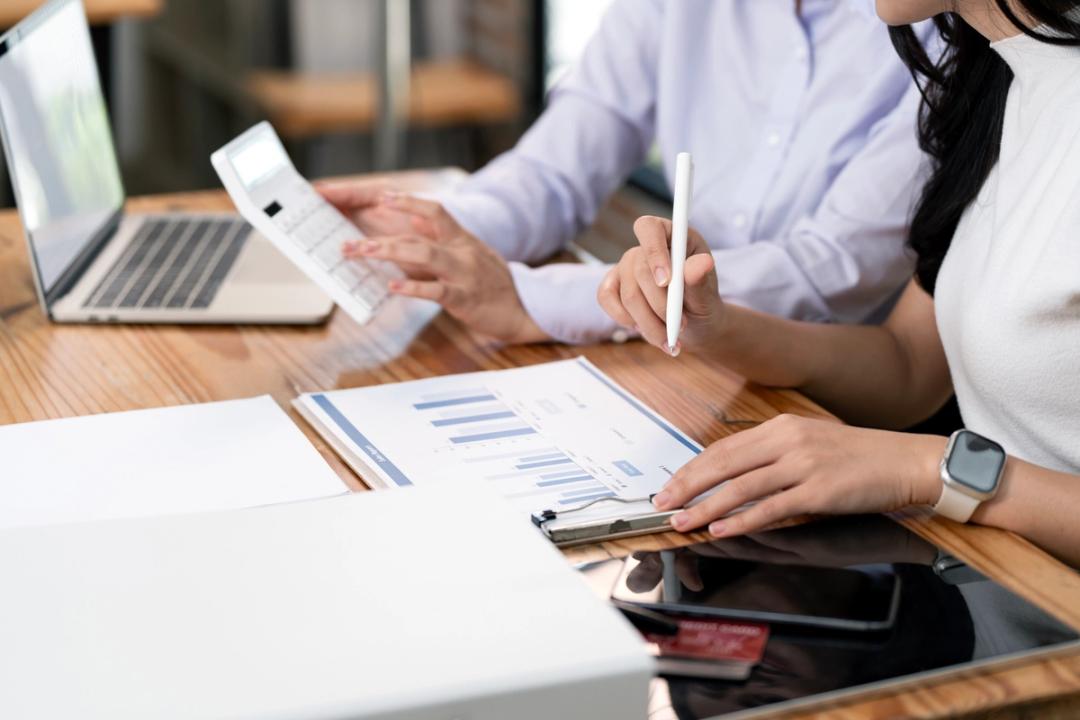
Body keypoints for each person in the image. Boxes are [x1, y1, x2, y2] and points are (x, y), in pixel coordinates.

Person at [597, 0, 1080, 566]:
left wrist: (930, 470)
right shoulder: (1001, 80)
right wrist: (718, 326)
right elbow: (909, 366)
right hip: (1006, 585)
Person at [318, 1, 931, 345]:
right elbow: (560, 164)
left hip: (837, 405)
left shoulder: (940, 21)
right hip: (673, 365)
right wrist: (433, 231)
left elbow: (829, 272)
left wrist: (534, 299)